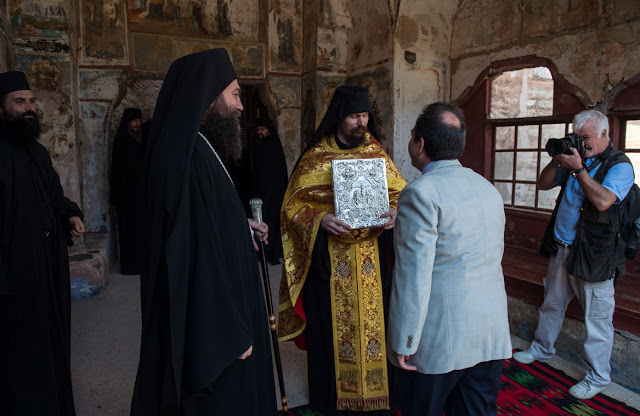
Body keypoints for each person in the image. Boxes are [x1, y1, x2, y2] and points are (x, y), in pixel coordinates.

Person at [130, 49, 276, 415]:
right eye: (236, 94)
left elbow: (204, 222)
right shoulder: (187, 157)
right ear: (210, 98)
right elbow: (189, 254)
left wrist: (239, 225)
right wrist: (229, 333)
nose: (242, 107)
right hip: (217, 328)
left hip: (228, 311)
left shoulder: (200, 146)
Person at [278, 85, 406, 415]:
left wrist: (395, 212)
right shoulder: (316, 156)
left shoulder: (376, 151)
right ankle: (333, 401)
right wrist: (320, 219)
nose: (361, 122)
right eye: (353, 116)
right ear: (338, 117)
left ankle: (378, 399)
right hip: (330, 261)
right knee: (331, 333)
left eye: (365, 115)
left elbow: (399, 193)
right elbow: (292, 205)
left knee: (378, 329)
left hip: (373, 257)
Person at [387, 102, 512, 416]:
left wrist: (405, 340)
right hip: (489, 328)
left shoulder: (419, 193)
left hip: (441, 335)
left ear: (420, 144)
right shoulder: (487, 188)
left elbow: (413, 277)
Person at [513, 109, 634, 400]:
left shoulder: (620, 166)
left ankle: (598, 377)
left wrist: (579, 169)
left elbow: (604, 201)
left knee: (597, 321)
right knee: (551, 304)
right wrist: (557, 159)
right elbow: (543, 184)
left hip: (596, 256)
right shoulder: (574, 158)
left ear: (605, 134)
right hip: (562, 248)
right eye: (578, 137)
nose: (582, 143)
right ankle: (542, 349)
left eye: (586, 138)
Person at [0, 70, 85, 415]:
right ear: (2, 109)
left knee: (50, 342)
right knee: (20, 353)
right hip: (14, 277)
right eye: (19, 102)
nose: (29, 107)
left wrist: (70, 214)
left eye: (32, 101)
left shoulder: (37, 152)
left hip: (47, 268)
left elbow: (53, 194)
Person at [110, 107, 144, 275]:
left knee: (135, 232)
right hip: (126, 197)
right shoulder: (123, 142)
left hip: (135, 196)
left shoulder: (133, 141)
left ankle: (136, 265)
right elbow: (122, 173)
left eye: (138, 121)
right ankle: (130, 267)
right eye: (134, 121)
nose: (137, 124)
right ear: (127, 122)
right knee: (128, 232)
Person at [251, 116, 288, 265]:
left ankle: (269, 252)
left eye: (262, 129)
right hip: (266, 192)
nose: (260, 132)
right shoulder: (264, 145)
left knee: (269, 221)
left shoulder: (271, 146)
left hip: (271, 193)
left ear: (269, 130)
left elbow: (272, 174)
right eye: (258, 129)